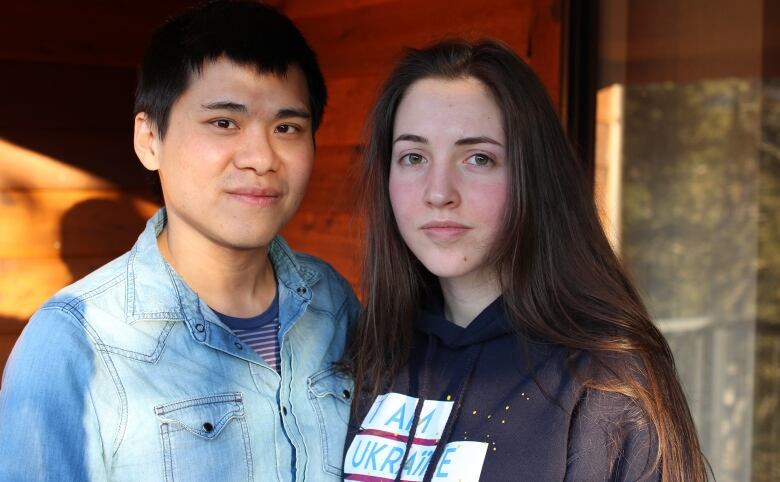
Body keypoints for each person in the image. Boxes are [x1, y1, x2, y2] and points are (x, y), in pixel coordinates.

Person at [0, 1, 358, 480]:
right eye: (224, 122)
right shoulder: (73, 341)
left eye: (287, 127)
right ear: (150, 140)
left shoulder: (332, 302)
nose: (261, 157)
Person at [343, 39, 707, 481]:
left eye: (479, 158)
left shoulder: (603, 379)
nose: (438, 193)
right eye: (414, 157)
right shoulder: (371, 349)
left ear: (533, 176)